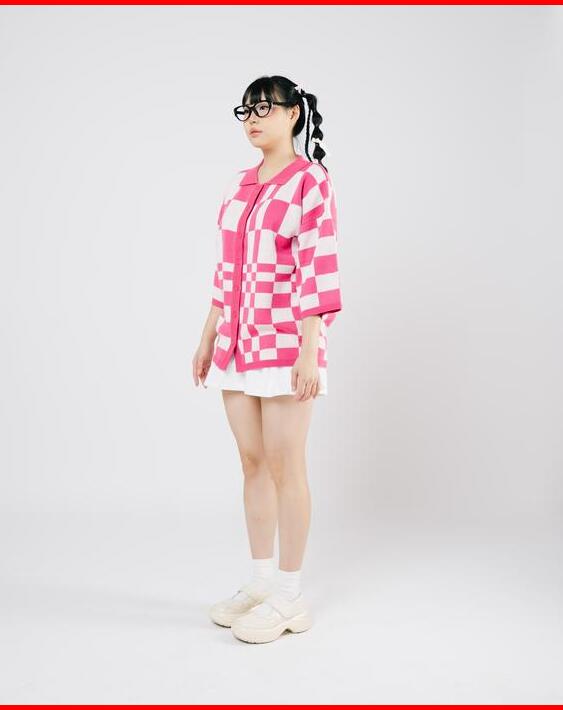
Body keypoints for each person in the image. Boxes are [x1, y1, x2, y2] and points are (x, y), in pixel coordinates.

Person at [191, 75, 343, 644]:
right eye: (246, 111)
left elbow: (318, 264)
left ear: (293, 113)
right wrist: (207, 336)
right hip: (236, 341)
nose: (253, 119)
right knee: (252, 463)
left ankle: (290, 595)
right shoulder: (238, 185)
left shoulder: (310, 181)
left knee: (286, 465)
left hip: (285, 342)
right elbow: (225, 268)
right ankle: (260, 582)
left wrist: (310, 348)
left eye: (264, 109)